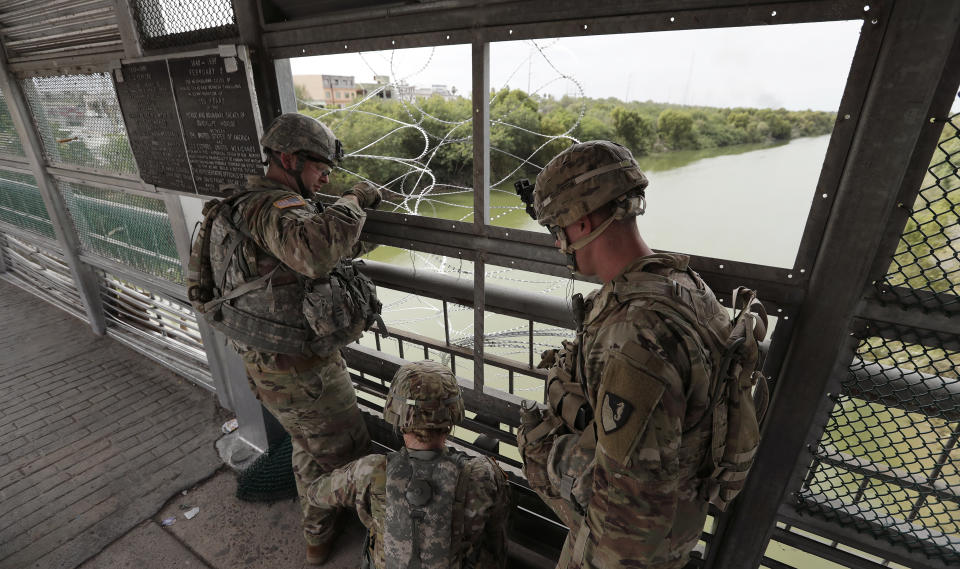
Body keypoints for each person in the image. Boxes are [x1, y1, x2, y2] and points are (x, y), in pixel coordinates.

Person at [516, 140, 741, 569]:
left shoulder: (636, 334)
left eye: (556, 229)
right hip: (672, 518)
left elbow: (628, 527)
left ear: (580, 225)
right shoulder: (682, 283)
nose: (557, 243)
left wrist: (551, 455)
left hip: (627, 547)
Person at [188, 113, 383, 564]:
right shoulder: (271, 206)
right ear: (289, 159)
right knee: (352, 458)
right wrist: (355, 199)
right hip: (301, 371)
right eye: (320, 169)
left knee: (307, 449)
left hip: (268, 363)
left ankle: (316, 541)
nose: (325, 177)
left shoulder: (240, 205)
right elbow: (314, 253)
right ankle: (383, 542)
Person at [306, 360, 510, 569]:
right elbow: (497, 536)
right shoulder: (483, 475)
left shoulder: (371, 471)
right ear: (452, 417)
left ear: (397, 416)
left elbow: (316, 493)